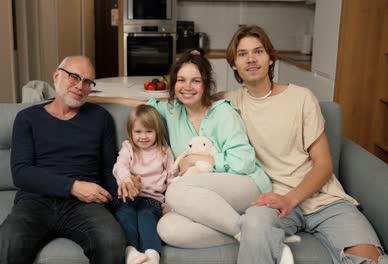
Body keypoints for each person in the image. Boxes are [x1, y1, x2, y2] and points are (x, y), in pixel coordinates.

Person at [214, 25, 387, 264]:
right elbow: (181, 100)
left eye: (259, 51)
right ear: (233, 64)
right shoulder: (228, 102)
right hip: (273, 202)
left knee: (371, 259)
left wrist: (292, 198)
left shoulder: (301, 97)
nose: (251, 59)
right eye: (242, 54)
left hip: (325, 200)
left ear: (271, 58)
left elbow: (324, 164)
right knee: (254, 222)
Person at [88, 49, 274, 254]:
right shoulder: (172, 111)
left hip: (245, 185)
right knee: (167, 229)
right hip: (202, 198)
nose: (187, 87)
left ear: (206, 84)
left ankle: (248, 232)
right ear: (173, 83)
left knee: (176, 190)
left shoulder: (223, 112)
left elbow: (244, 161)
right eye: (181, 80)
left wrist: (199, 159)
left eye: (195, 80)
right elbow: (141, 106)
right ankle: (250, 233)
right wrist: (93, 99)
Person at [0, 56, 128, 264]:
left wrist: (124, 201)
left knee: (112, 244)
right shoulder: (28, 118)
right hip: (35, 201)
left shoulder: (100, 118)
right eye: (74, 77)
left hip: (85, 205)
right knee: (3, 253)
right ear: (56, 76)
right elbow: (21, 173)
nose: (80, 86)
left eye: (87, 81)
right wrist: (73, 186)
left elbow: (110, 171)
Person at [113, 104, 175, 264]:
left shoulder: (164, 151)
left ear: (157, 132)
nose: (143, 136)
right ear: (130, 132)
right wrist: (126, 179)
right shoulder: (128, 148)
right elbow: (120, 166)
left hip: (152, 200)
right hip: (128, 197)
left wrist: (168, 207)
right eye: (138, 132)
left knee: (146, 217)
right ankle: (130, 251)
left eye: (149, 131)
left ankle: (152, 254)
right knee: (125, 216)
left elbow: (171, 179)